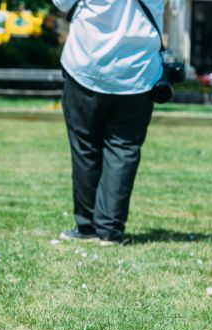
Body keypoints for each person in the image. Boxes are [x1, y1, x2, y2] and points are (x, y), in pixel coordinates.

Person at [54, 0, 164, 246]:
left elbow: (61, 4)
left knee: (85, 147)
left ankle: (87, 227)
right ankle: (110, 230)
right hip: (138, 71)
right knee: (124, 148)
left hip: (87, 64)